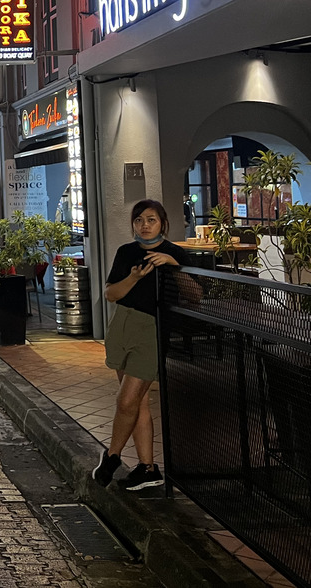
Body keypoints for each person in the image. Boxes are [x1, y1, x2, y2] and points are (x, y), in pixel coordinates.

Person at [93, 199, 190, 491]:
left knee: (126, 401)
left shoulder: (175, 254)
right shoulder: (127, 253)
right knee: (138, 404)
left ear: (164, 223)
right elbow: (111, 294)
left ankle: (111, 456)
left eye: (151, 220)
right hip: (123, 326)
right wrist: (133, 278)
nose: (144, 226)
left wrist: (174, 265)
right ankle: (148, 469)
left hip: (152, 330)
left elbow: (195, 295)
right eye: (139, 220)